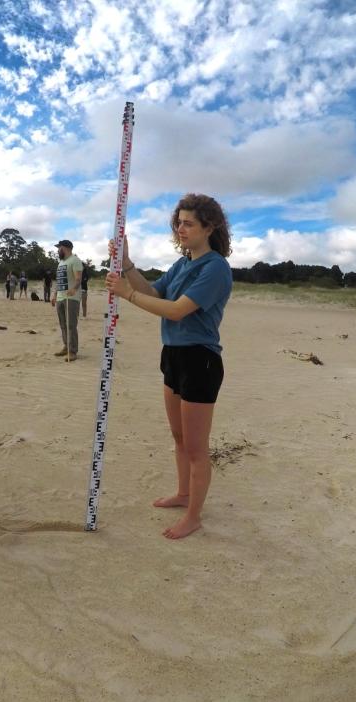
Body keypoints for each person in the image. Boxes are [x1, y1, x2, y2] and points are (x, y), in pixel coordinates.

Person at [106, 193, 233, 539]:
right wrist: (129, 265)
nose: (181, 228)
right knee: (178, 438)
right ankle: (183, 493)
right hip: (173, 356)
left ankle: (194, 516)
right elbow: (156, 292)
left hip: (200, 360)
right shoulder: (182, 264)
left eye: (188, 223)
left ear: (211, 227)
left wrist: (127, 295)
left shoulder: (215, 267)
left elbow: (177, 310)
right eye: (178, 222)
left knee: (196, 446)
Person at [50, 239, 83, 361]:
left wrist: (74, 288)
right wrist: (54, 295)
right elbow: (59, 281)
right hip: (60, 298)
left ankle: (73, 351)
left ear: (65, 248)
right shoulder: (60, 263)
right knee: (63, 325)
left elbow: (78, 278)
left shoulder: (75, 260)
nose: (58, 250)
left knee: (71, 325)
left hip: (71, 298)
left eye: (59, 248)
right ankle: (66, 347)